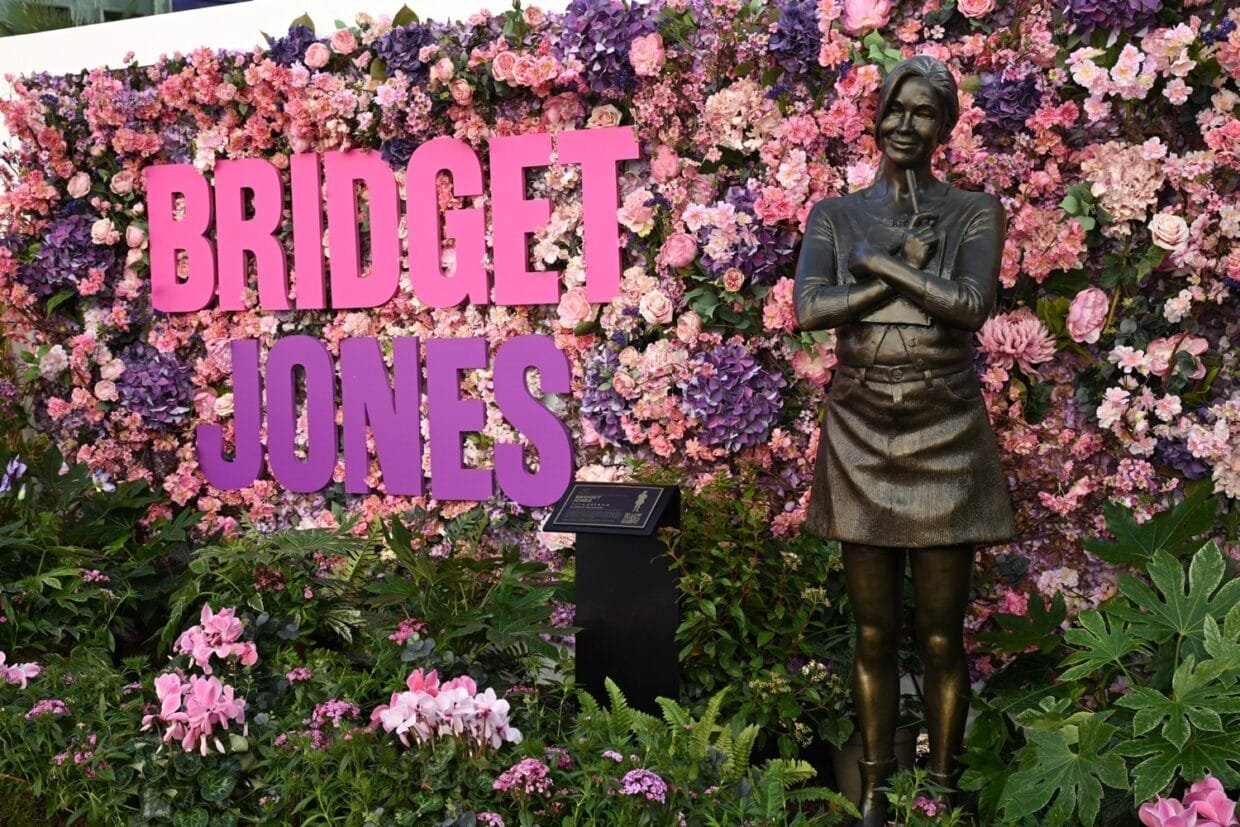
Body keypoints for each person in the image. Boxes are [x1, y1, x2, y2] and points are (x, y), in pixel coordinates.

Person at [793, 55, 1015, 826]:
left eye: (924, 113)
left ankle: (943, 794)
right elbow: (812, 310)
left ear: (946, 127)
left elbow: (968, 305)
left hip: (945, 428)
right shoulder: (835, 214)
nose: (906, 124)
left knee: (942, 635)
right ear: (876, 114)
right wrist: (901, 272)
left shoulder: (974, 212)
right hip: (860, 429)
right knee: (875, 629)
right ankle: (877, 793)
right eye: (896, 108)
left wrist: (883, 264)